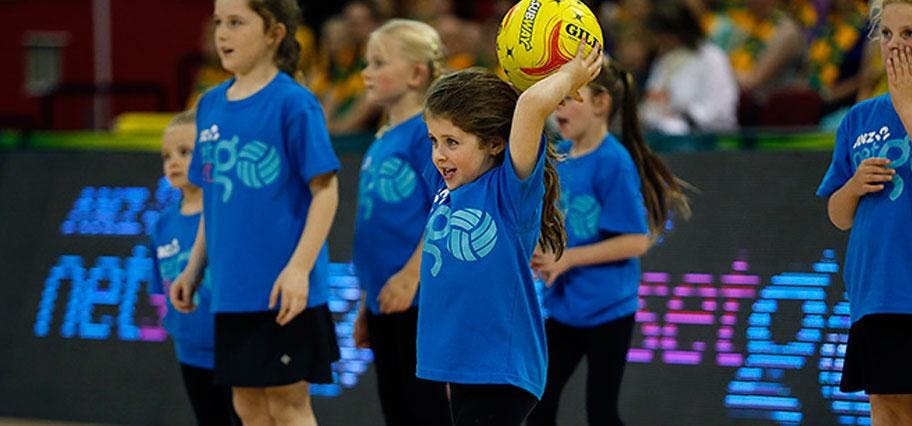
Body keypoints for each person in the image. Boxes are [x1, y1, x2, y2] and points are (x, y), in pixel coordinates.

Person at [169, 1, 341, 425]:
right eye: (218, 23)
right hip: (231, 292)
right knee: (246, 406)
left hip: (283, 292)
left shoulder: (293, 103)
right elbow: (212, 200)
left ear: (274, 34)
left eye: (237, 23)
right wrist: (194, 269)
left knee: (287, 404)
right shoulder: (209, 106)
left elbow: (326, 191)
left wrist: (299, 269)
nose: (222, 34)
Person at [416, 43, 603, 426]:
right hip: (464, 367)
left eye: (452, 142)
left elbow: (531, 107)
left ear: (496, 143)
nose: (438, 154)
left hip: (499, 368)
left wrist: (569, 74)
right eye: (434, 141)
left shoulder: (509, 191)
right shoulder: (447, 189)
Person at [525, 57, 692, 426]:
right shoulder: (561, 156)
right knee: (539, 405)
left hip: (607, 311)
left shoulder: (613, 162)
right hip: (565, 307)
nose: (558, 107)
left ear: (601, 104)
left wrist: (567, 259)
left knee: (601, 412)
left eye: (569, 97)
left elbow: (636, 242)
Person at [816, 0, 912, 424]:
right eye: (887, 34)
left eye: (910, 34)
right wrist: (854, 187)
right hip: (879, 293)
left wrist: (909, 108)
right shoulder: (859, 118)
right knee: (888, 408)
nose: (895, 46)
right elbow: (838, 215)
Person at [350, 19, 452, 426]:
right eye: (366, 63)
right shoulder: (383, 135)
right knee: (395, 409)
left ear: (416, 74)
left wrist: (413, 276)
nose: (366, 73)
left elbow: (444, 210)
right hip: (384, 300)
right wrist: (365, 302)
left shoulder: (426, 136)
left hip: (418, 300)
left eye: (378, 63)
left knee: (424, 408)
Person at [149, 111, 240, 426]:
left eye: (185, 152)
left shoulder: (226, 213)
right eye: (167, 156)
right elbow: (159, 286)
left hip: (234, 344)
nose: (173, 161)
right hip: (190, 349)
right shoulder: (162, 224)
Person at [640, 2, 739, 135]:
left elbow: (720, 107)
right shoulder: (664, 59)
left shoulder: (711, 57)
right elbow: (652, 100)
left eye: (664, 37)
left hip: (709, 138)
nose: (660, 42)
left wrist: (685, 118)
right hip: (664, 134)